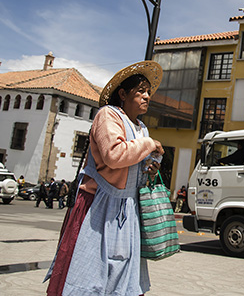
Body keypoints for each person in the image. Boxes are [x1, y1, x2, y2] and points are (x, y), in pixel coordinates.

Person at [44, 61, 164, 296]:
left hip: (127, 210)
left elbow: (134, 164)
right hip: (98, 205)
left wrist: (149, 169)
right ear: (123, 94)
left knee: (121, 273)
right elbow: (114, 155)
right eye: (140, 91)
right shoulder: (108, 116)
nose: (147, 97)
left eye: (148, 92)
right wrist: (149, 145)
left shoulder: (141, 128)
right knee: (89, 272)